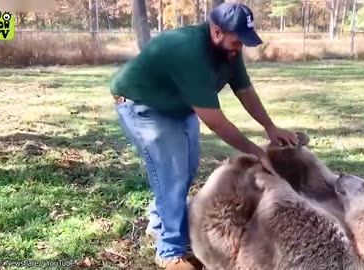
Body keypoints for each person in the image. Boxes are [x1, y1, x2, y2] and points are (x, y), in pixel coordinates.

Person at [109, 2, 298, 270]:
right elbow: (217, 123)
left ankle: (158, 223)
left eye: (244, 41)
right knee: (171, 173)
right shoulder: (190, 51)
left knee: (186, 167)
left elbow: (244, 91)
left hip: (179, 103)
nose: (240, 47)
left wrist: (270, 127)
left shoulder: (230, 52)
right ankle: (169, 252)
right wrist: (257, 152)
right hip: (142, 104)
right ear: (217, 32)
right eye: (237, 40)